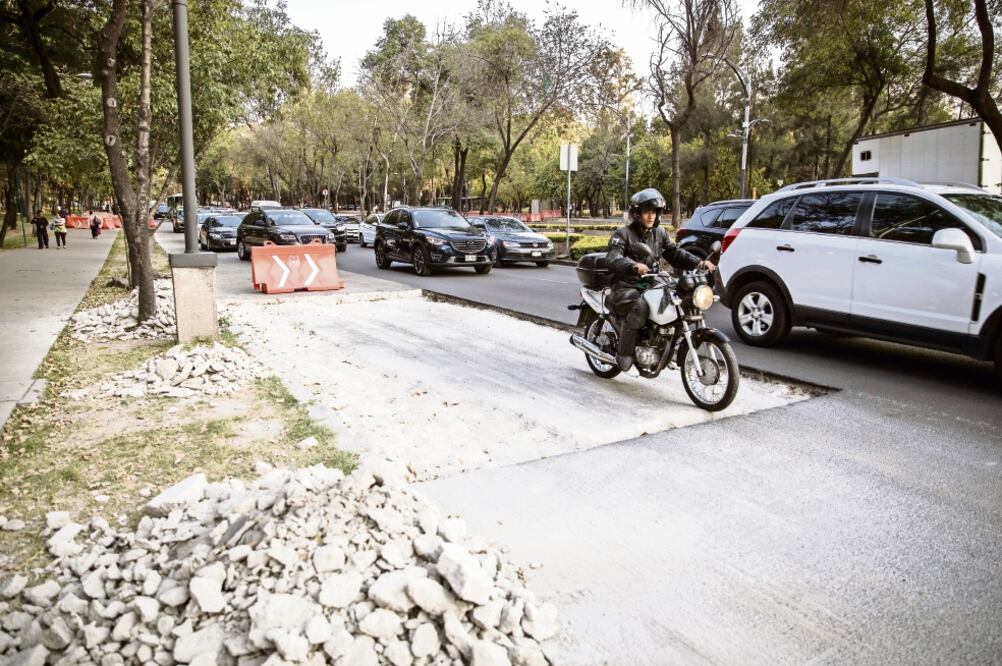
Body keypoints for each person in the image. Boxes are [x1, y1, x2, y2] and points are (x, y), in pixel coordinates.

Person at [606, 187, 716, 372]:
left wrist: (699, 263)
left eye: (654, 212)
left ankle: (665, 346)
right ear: (637, 213)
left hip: (652, 283)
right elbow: (613, 257)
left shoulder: (660, 233)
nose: (651, 216)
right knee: (640, 307)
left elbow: (675, 253)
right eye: (646, 211)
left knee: (679, 301)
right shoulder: (623, 234)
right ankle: (624, 353)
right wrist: (632, 266)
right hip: (625, 285)